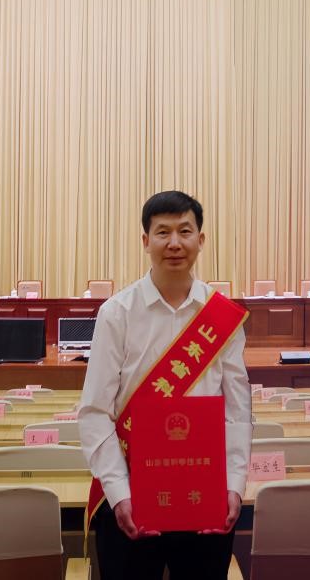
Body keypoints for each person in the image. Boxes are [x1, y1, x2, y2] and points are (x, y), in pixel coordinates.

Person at [78, 190, 252, 579]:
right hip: (131, 497)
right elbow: (94, 412)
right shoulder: (116, 313)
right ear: (146, 241)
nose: (174, 243)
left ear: (200, 240)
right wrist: (119, 493)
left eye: (185, 231)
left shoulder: (221, 317)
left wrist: (234, 485)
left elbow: (238, 411)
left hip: (205, 498)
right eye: (163, 232)